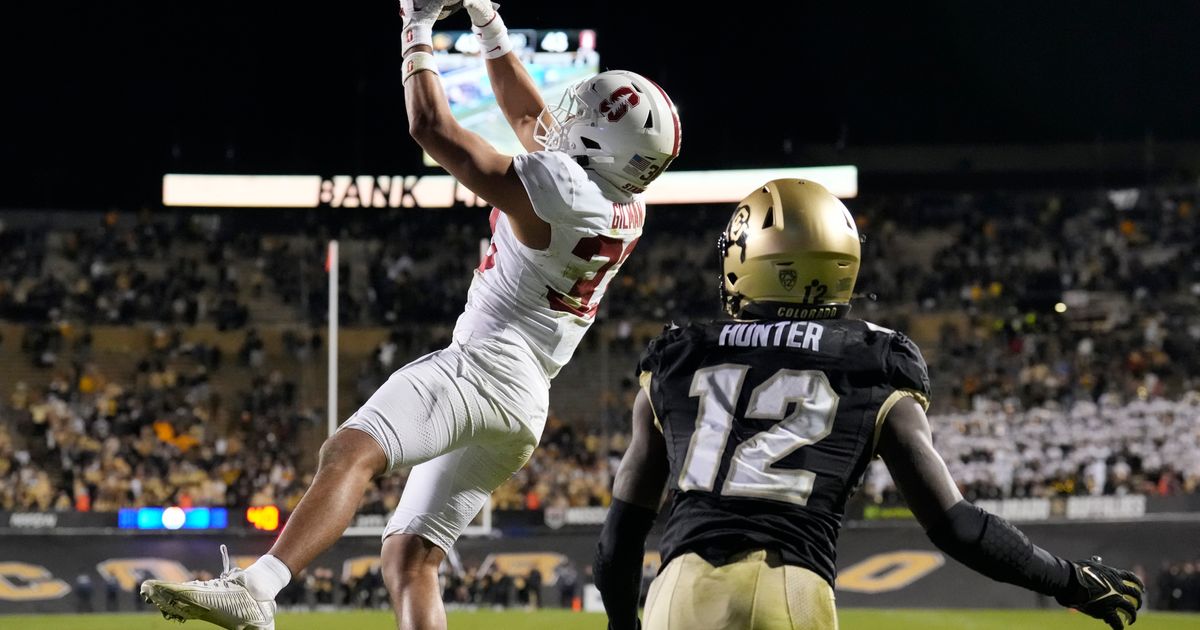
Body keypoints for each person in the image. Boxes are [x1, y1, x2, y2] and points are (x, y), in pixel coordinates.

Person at [139, 1, 680, 629]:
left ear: (602, 145)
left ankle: (258, 588)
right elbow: (530, 118)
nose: (564, 121)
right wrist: (487, 22)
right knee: (411, 557)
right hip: (525, 400)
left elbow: (432, 129)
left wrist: (417, 26)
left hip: (485, 369)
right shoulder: (623, 202)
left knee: (350, 449)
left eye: (583, 118)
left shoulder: (562, 191)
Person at [593, 179, 1144, 630]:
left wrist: (622, 624)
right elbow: (956, 525)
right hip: (787, 587)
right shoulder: (872, 359)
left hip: (677, 593)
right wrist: (1069, 580)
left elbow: (619, 538)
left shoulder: (679, 354)